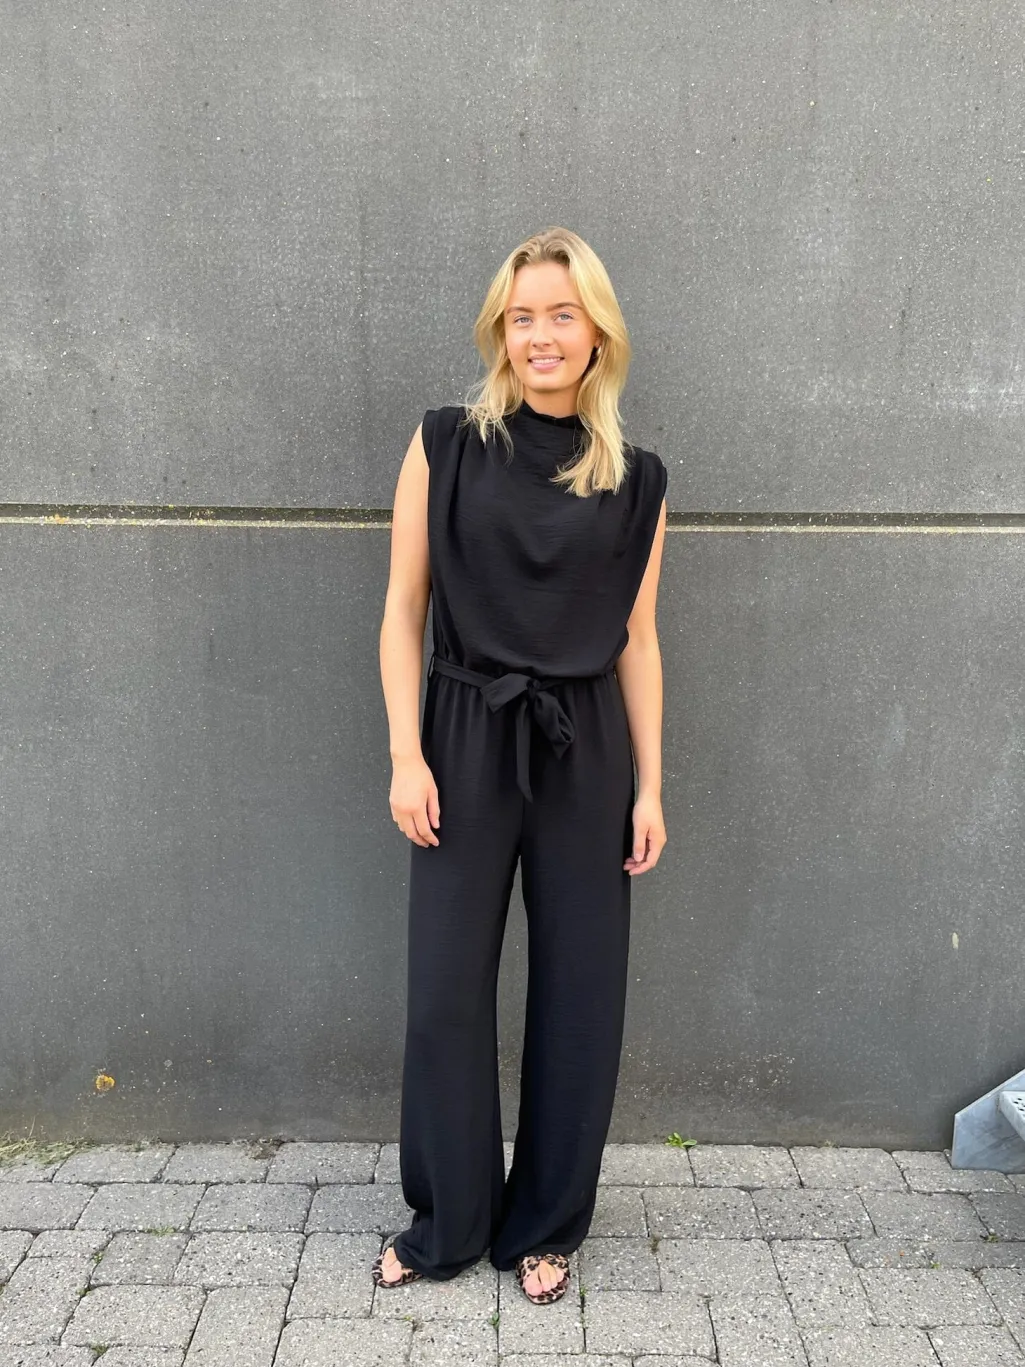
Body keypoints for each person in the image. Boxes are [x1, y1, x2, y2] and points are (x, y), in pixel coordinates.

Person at [376, 226, 668, 1305]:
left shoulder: (636, 479)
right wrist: (405, 753)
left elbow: (637, 640)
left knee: (579, 992)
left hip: (583, 747)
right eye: (521, 315)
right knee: (444, 993)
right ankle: (449, 1219)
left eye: (560, 314)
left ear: (597, 332)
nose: (540, 334)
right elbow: (402, 609)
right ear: (500, 330)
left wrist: (649, 784)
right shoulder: (444, 443)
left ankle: (545, 1222)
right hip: (461, 730)